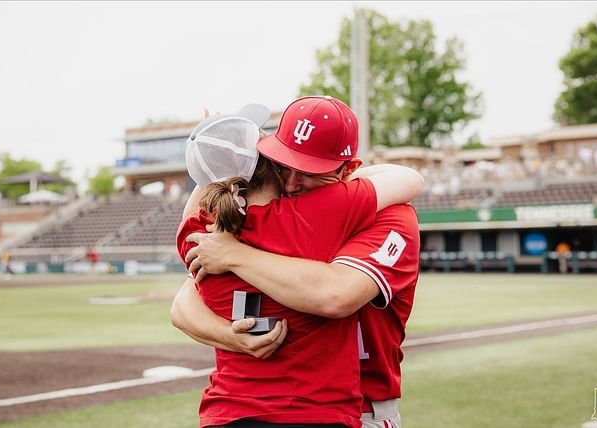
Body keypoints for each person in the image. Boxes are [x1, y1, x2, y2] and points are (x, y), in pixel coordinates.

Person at [173, 97, 424, 427]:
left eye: (309, 172)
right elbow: (182, 303)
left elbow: (335, 295)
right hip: (313, 408)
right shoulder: (248, 224)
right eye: (283, 164)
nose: (292, 183)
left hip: (362, 407)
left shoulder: (391, 215)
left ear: (349, 171)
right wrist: (230, 336)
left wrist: (234, 255)